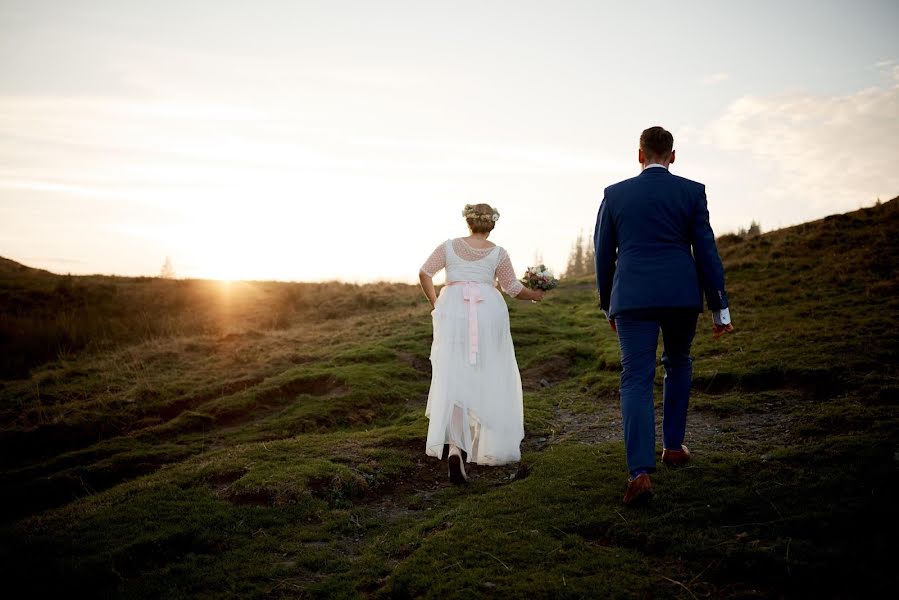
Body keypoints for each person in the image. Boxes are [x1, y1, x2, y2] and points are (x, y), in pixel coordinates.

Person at [594, 126, 735, 506]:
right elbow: (706, 250)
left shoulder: (614, 194)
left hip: (633, 298)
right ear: (673, 156)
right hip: (680, 296)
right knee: (678, 362)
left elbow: (603, 254)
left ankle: (638, 472)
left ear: (639, 154)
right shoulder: (692, 191)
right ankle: (673, 448)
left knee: (636, 377)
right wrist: (719, 305)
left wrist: (608, 302)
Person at [419, 203, 545, 484]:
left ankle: (454, 448)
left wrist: (437, 303)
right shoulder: (498, 253)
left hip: (454, 309)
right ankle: (476, 439)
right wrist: (535, 294)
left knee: (454, 375)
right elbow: (512, 288)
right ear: (492, 225)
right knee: (487, 372)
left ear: (469, 223)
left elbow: (425, 273)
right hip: (488, 311)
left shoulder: (449, 247)